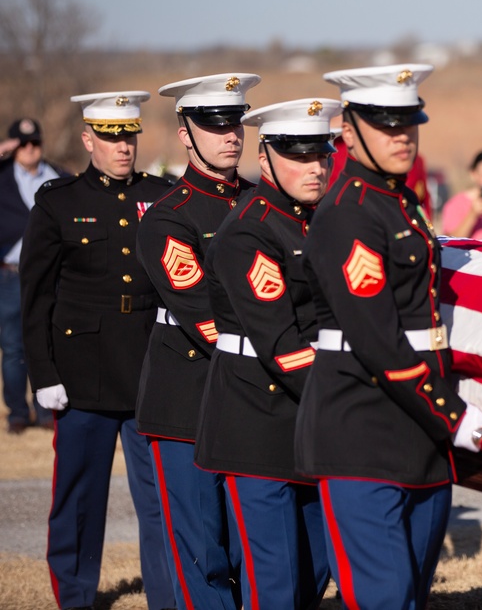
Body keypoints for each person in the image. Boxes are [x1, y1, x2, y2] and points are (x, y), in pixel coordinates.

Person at [297, 63, 482, 610]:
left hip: (419, 429)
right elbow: (377, 338)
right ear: (348, 130)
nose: (402, 137)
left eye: (409, 125)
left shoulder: (399, 204)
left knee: (410, 593)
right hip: (362, 426)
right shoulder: (347, 215)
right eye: (387, 126)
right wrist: (450, 413)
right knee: (385, 599)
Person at [19, 91, 175, 610]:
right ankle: (76, 595)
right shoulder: (59, 201)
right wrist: (43, 374)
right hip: (82, 375)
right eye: (111, 138)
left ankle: (168, 594)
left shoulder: (161, 195)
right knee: (80, 498)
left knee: (160, 500)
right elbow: (36, 297)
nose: (122, 147)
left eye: (128, 136)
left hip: (150, 369)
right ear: (89, 140)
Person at [194, 98, 340, 609]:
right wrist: (345, 402)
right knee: (274, 577)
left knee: (316, 567)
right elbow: (282, 345)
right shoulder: (248, 230)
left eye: (321, 155)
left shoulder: (320, 221)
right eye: (298, 157)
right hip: (258, 418)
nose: (314, 168)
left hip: (310, 414)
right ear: (266, 159)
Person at [136, 73, 260, 610]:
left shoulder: (262, 204)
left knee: (257, 543)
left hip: (256, 397)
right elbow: (203, 318)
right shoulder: (169, 216)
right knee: (202, 549)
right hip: (189, 397)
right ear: (186, 134)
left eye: (234, 124)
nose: (229, 135)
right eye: (214, 126)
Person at [1, 118, 66, 434]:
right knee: (13, 346)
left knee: (49, 340)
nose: (30, 149)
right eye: (22, 144)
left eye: (35, 143)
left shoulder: (58, 176)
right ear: (12, 147)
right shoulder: (2, 177)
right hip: (11, 276)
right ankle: (16, 411)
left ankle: (45, 409)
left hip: (51, 274)